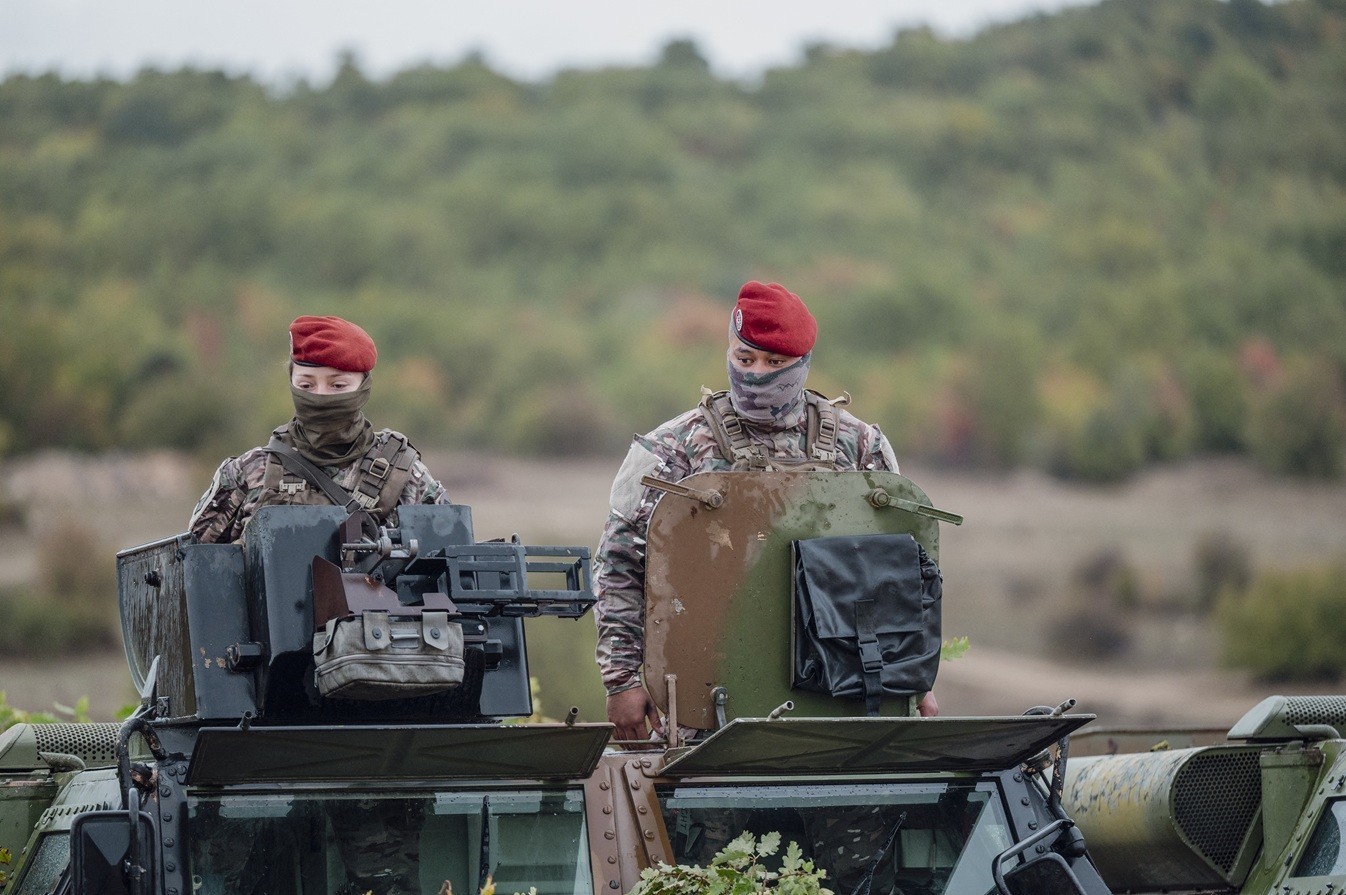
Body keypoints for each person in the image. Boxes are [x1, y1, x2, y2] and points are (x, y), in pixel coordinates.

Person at [593, 281, 939, 742]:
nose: (756, 374)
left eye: (775, 363)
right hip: (704, 708)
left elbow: (898, 572)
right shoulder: (671, 450)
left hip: (841, 698)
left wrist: (915, 682)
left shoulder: (860, 447)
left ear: (803, 362)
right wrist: (621, 680)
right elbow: (619, 565)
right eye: (745, 358)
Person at [190, 314, 451, 544]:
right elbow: (192, 564)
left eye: (338, 386)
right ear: (292, 383)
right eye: (306, 386)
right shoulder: (249, 472)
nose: (321, 396)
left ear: (363, 387)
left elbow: (449, 564)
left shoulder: (405, 475)